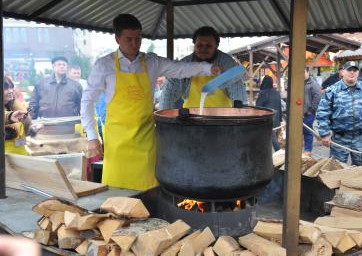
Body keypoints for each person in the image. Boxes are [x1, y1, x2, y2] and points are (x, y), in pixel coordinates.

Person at [81, 14, 222, 191]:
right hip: (117, 145)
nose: (134, 44)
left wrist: (208, 68)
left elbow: (180, 69)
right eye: (129, 39)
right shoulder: (104, 65)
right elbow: (87, 101)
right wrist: (93, 137)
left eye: (138, 38)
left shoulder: (152, 62)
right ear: (117, 38)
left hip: (146, 140)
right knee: (116, 195)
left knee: (148, 193)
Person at [159, 26, 247, 110]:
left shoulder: (227, 62)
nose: (203, 49)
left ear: (216, 46)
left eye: (208, 46)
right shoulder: (185, 64)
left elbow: (238, 93)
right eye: (199, 45)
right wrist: (164, 120)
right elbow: (168, 93)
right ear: (194, 45)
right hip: (191, 120)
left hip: (222, 120)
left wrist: (241, 115)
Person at [316, 61, 362, 165]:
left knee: (361, 170)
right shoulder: (332, 90)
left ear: (358, 72)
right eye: (349, 70)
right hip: (339, 138)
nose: (352, 73)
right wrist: (324, 134)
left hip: (361, 138)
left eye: (354, 70)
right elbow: (323, 113)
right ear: (342, 72)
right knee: (337, 169)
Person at [4, 77, 31, 155]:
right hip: (5, 161)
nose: (11, 91)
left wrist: (31, 131)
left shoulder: (12, 106)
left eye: (11, 87)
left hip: (19, 156)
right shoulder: (10, 113)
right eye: (6, 88)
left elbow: (20, 142)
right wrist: (10, 116)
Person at [256, 75, 282, 151]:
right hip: (276, 119)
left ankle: (279, 151)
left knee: (271, 135)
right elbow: (279, 107)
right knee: (271, 135)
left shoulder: (263, 93)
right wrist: (280, 120)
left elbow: (258, 107)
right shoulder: (277, 93)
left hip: (267, 119)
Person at [303, 67, 321, 156]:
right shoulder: (298, 82)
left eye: (304, 72)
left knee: (307, 131)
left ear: (307, 72)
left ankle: (308, 150)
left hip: (308, 112)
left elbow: (317, 97)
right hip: (299, 112)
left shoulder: (313, 83)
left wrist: (312, 109)